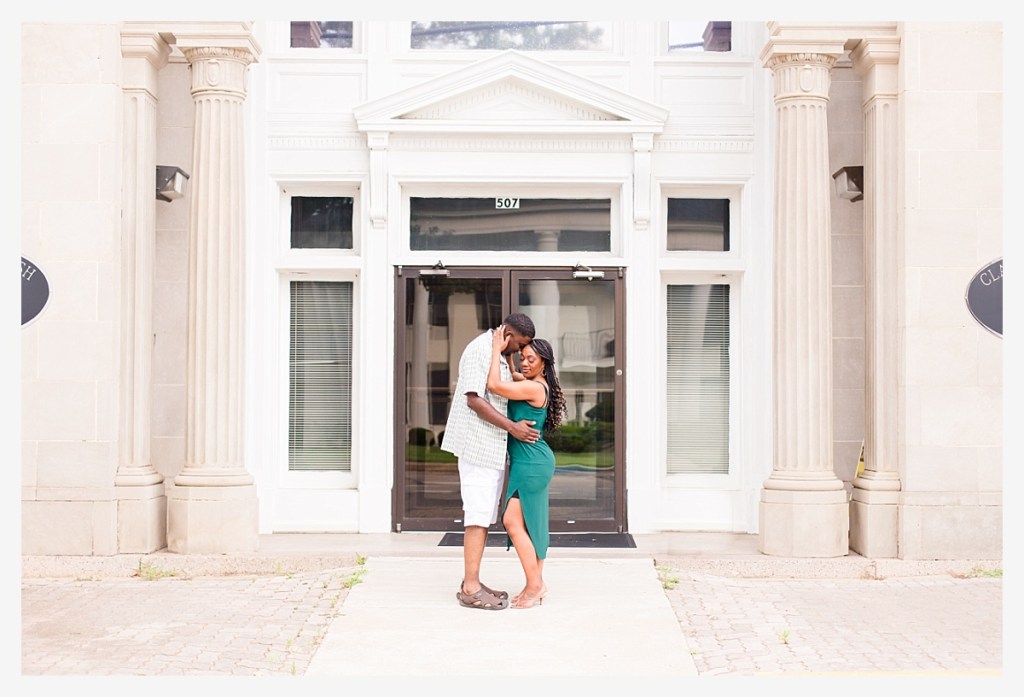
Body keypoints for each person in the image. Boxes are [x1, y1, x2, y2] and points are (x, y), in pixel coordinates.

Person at [441, 313, 540, 611]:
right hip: (477, 446)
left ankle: (473, 581)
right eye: (519, 345)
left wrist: (505, 357)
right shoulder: (479, 350)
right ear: (508, 334)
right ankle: (471, 588)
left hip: (490, 449)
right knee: (476, 516)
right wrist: (513, 427)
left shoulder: (495, 351)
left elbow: (502, 385)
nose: (520, 352)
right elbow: (474, 398)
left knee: (483, 515)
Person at [486, 328, 566, 609]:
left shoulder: (534, 387)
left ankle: (536, 585)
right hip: (530, 461)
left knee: (511, 520)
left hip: (531, 463)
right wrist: (510, 360)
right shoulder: (534, 383)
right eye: (523, 357)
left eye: (531, 358)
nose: (525, 362)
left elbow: (495, 386)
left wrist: (496, 349)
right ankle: (535, 584)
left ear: (544, 362)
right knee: (532, 524)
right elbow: (512, 376)